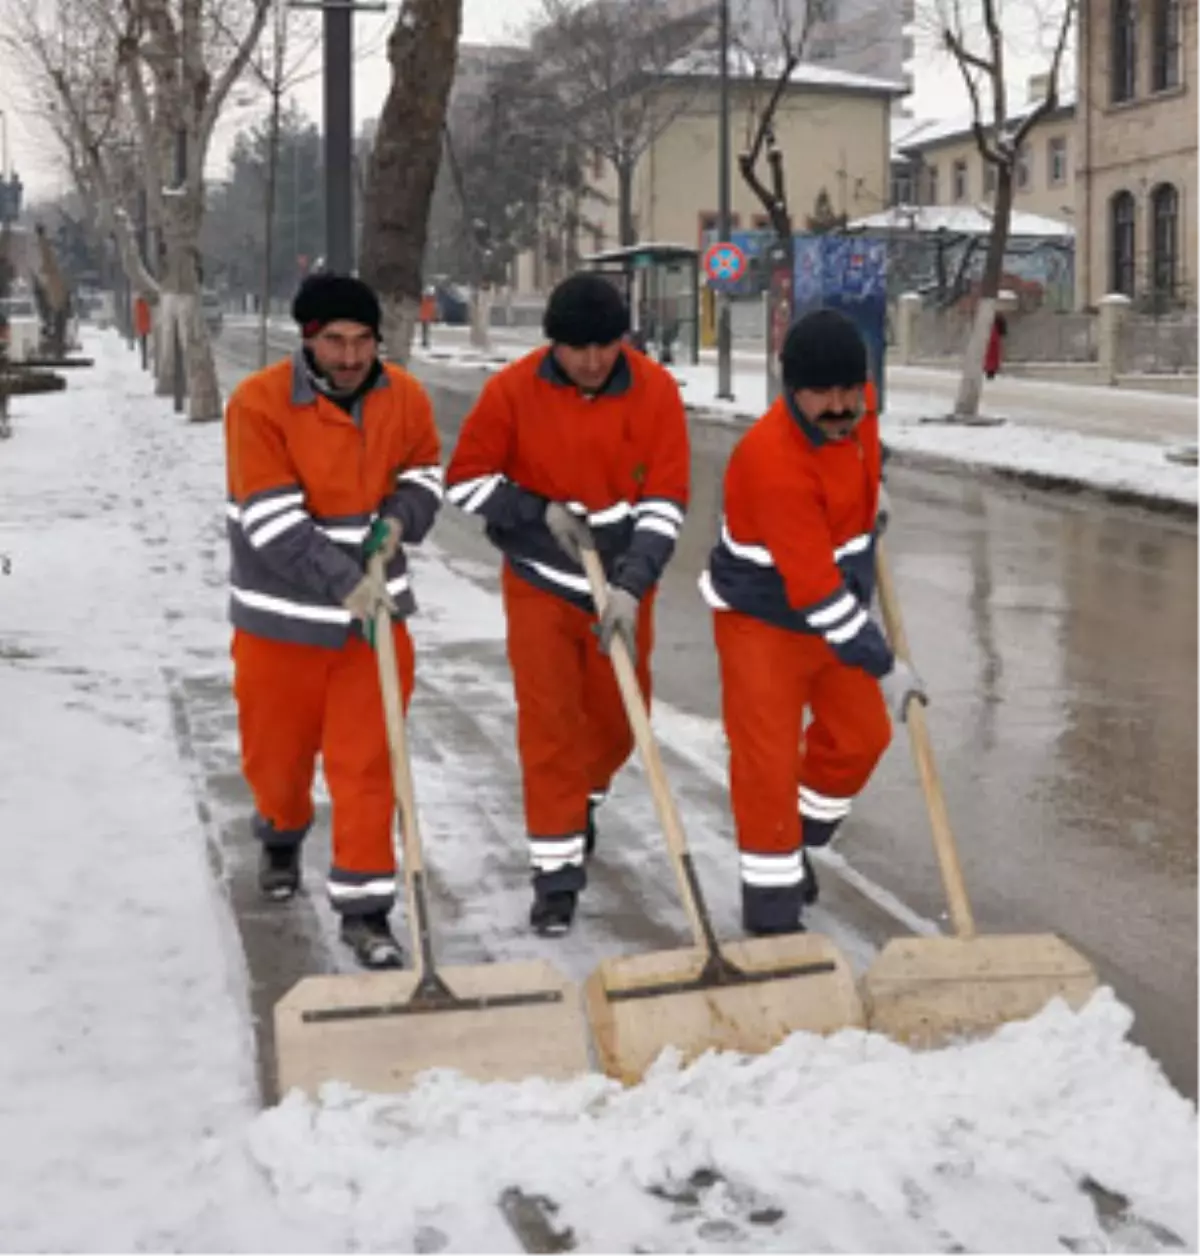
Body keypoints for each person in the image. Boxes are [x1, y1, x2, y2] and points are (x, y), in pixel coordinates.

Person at [444, 272, 691, 935]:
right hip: (541, 584)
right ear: (554, 344)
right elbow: (464, 482)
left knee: (617, 721)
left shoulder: (654, 391)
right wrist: (536, 511)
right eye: (577, 349)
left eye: (605, 347)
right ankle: (556, 875)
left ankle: (582, 798)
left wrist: (633, 586)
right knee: (550, 723)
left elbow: (667, 503)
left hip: (621, 587)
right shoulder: (514, 391)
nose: (591, 362)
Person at [224, 272, 444, 969]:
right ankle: (282, 835)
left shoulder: (402, 397)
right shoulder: (257, 405)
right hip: (280, 628)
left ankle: (367, 911)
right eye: (334, 342)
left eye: (362, 341)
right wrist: (347, 582)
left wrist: (402, 518)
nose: (350, 357)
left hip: (372, 630)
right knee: (278, 762)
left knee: (368, 769)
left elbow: (425, 474)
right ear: (308, 341)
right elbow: (271, 521)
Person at [699, 308, 926, 937]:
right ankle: (770, 912)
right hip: (763, 622)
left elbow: (865, 448)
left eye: (850, 391)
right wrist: (884, 664)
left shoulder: (860, 409)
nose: (839, 406)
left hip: (837, 608)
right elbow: (815, 593)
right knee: (767, 762)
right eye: (821, 393)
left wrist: (872, 486)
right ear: (790, 390)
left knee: (860, 738)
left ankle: (797, 840)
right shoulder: (772, 461)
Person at [985, 311, 1007, 380]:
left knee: (992, 355)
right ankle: (991, 371)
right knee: (994, 355)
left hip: (991, 340)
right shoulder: (995, 331)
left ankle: (990, 371)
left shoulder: (991, 328)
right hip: (994, 339)